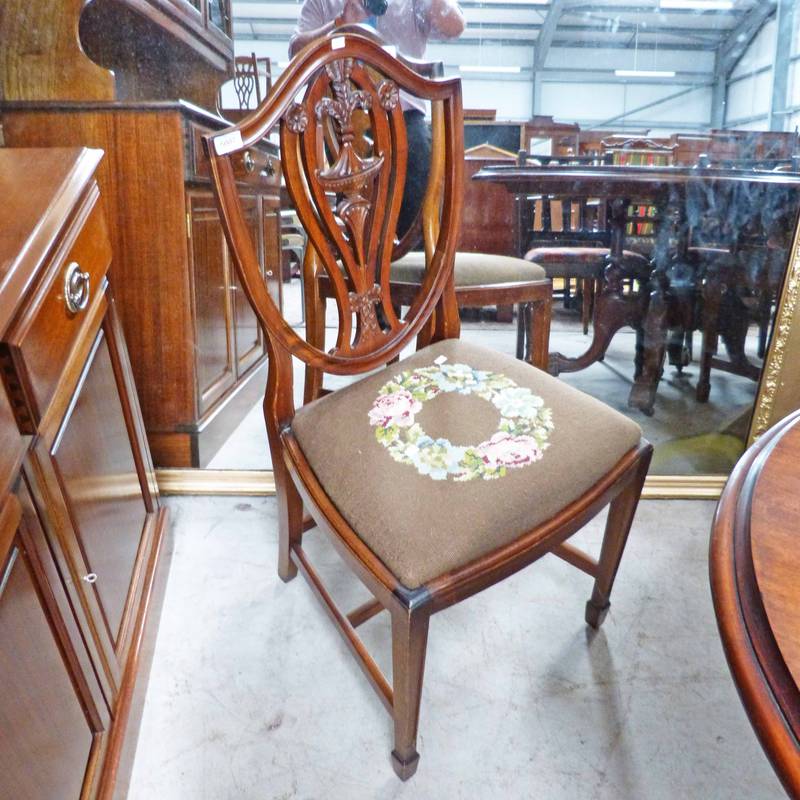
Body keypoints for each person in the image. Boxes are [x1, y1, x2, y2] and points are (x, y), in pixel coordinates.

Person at [289, 0, 465, 237]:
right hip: (344, 125)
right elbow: (296, 52)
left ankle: (409, 264)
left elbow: (455, 26)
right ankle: (358, 262)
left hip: (406, 121)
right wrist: (340, 23)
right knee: (355, 207)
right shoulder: (323, 2)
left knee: (416, 187)